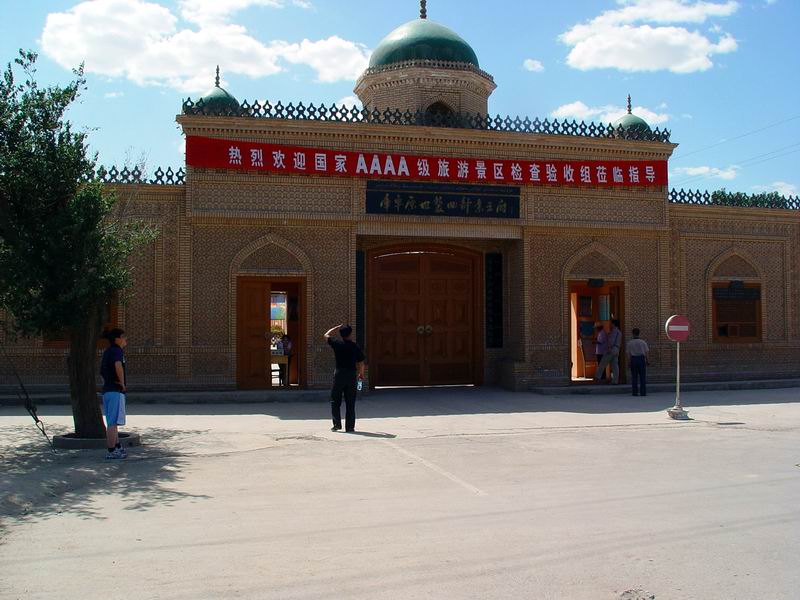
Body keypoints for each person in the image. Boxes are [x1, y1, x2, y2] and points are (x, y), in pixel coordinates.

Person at [324, 324, 365, 432]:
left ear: (341, 334)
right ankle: (350, 427)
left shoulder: (337, 343)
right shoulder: (355, 346)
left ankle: (337, 424)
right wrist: (361, 374)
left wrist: (336, 328)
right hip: (351, 375)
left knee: (335, 400)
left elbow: (326, 335)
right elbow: (361, 362)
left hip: (339, 375)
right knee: (350, 402)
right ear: (350, 334)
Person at [100, 328, 128, 459]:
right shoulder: (117, 351)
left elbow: (102, 373)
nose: (126, 339)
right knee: (112, 423)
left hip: (107, 391)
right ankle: (111, 451)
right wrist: (122, 383)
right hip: (115, 391)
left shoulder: (107, 352)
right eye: (123, 336)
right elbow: (118, 366)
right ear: (117, 339)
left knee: (113, 421)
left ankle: (117, 446)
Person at [594, 319, 622, 384]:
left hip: (611, 349)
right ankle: (615, 381)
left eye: (611, 323)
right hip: (617, 349)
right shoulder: (619, 332)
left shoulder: (614, 331)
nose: (610, 325)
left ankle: (597, 378)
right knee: (615, 365)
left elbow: (612, 341)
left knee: (602, 363)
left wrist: (609, 348)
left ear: (614, 324)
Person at [626, 328, 650, 396]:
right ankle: (643, 392)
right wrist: (647, 361)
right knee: (642, 377)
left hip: (633, 359)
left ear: (632, 334)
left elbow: (628, 354)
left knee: (634, 377)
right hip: (641, 359)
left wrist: (629, 362)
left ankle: (635, 392)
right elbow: (646, 353)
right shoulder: (643, 342)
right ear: (639, 333)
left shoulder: (630, 343)